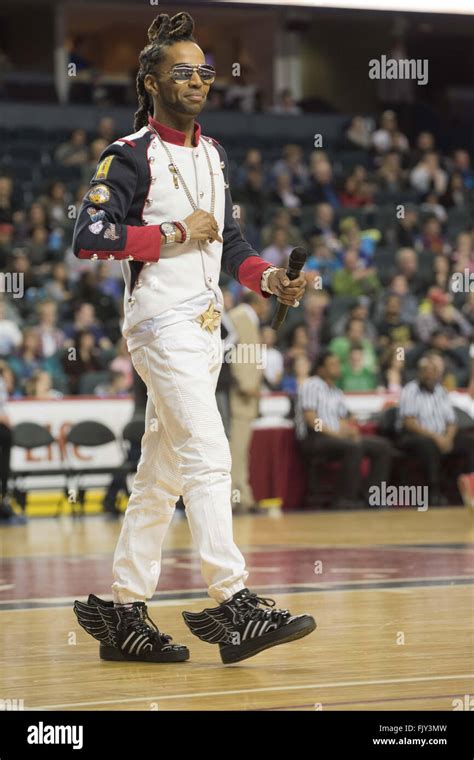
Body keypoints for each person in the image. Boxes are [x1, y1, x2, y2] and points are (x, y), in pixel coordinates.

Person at [72, 11, 315, 666]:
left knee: (162, 473)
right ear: (150, 80)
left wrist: (269, 282)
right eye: (182, 72)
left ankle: (126, 612)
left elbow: (232, 244)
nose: (198, 81)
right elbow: (89, 238)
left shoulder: (213, 154)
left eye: (205, 72)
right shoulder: (126, 156)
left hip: (205, 330)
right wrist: (176, 235)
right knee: (209, 453)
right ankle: (233, 603)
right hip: (159, 323)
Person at [295, 350, 392, 509]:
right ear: (321, 369)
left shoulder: (336, 391)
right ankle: (345, 498)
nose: (337, 367)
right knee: (353, 447)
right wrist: (337, 435)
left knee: (382, 447)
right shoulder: (311, 385)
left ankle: (371, 495)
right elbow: (312, 420)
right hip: (314, 438)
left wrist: (348, 431)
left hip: (335, 437)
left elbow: (341, 419)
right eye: (332, 365)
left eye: (338, 364)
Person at [396, 355, 474, 506]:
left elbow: (451, 421)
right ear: (420, 373)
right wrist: (436, 437)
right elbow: (409, 422)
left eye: (434, 372)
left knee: (470, 443)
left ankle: (466, 489)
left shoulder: (441, 391)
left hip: (442, 435)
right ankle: (434, 492)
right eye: (427, 371)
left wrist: (448, 438)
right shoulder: (410, 390)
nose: (431, 375)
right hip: (416, 435)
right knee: (429, 446)